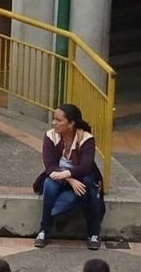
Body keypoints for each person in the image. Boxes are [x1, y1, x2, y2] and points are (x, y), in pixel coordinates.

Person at [32, 102, 103, 249]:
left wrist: (69, 174)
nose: (54, 123)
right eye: (54, 119)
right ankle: (44, 230)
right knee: (49, 184)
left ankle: (94, 233)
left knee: (89, 187)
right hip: (60, 175)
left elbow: (86, 166)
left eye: (58, 120)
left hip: (83, 176)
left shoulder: (86, 138)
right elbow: (50, 166)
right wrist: (69, 179)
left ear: (71, 123)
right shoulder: (50, 136)